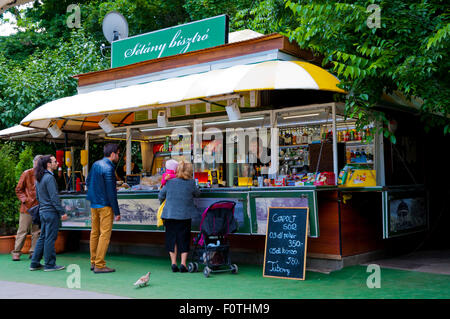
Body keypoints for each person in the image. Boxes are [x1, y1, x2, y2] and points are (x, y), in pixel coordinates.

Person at [158, 161, 200, 272]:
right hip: (185, 216)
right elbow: (198, 194)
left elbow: (161, 195)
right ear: (190, 171)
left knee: (172, 239)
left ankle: (173, 263)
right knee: (184, 239)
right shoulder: (191, 183)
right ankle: (183, 264)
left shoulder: (170, 182)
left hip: (170, 215)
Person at [86, 143, 121, 274]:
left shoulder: (96, 164)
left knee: (94, 233)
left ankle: (93, 261)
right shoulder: (109, 168)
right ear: (112, 154)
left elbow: (88, 181)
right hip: (105, 205)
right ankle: (100, 265)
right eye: (118, 154)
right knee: (104, 235)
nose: (118, 156)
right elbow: (111, 193)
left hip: (94, 204)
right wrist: (117, 211)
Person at [29, 155, 68, 271]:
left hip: (43, 212)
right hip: (50, 212)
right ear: (48, 164)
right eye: (55, 162)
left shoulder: (39, 178)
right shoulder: (49, 178)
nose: (57, 163)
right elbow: (54, 197)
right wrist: (62, 212)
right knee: (50, 238)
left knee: (43, 237)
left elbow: (39, 197)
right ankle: (50, 264)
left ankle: (34, 263)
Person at [12, 155, 42, 261]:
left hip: (38, 206)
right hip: (27, 207)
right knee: (23, 230)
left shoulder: (43, 175)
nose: (38, 164)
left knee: (36, 231)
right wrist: (25, 200)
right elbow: (18, 189)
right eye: (37, 162)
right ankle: (16, 252)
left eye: (40, 162)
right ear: (33, 162)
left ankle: (33, 252)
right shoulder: (27, 173)